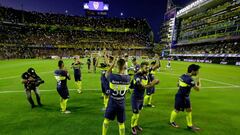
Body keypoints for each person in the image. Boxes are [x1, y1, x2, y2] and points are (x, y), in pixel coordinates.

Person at [102, 58, 131, 135]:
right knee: (121, 123)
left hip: (112, 103)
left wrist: (112, 65)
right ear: (124, 66)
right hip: (121, 104)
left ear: (116, 66)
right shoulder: (128, 78)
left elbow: (106, 74)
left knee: (106, 120)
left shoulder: (112, 77)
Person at [130, 62, 160, 135]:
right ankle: (132, 126)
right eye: (145, 68)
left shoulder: (146, 75)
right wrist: (153, 83)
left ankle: (135, 124)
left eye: (147, 67)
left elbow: (156, 66)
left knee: (139, 112)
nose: (147, 69)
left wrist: (157, 58)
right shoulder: (137, 76)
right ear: (141, 67)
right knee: (135, 113)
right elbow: (142, 87)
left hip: (141, 97)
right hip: (135, 98)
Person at [169, 64, 201, 131]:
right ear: (192, 71)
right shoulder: (190, 79)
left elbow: (177, 83)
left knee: (189, 109)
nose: (198, 72)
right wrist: (199, 81)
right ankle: (172, 122)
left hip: (183, 95)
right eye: (197, 71)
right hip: (182, 97)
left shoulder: (183, 75)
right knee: (177, 110)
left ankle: (189, 125)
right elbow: (197, 89)